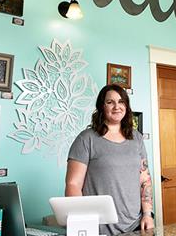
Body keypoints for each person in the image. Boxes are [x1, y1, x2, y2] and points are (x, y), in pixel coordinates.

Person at [65, 84, 154, 235]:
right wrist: (83, 223)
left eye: (121, 102)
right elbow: (73, 184)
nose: (116, 106)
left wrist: (147, 214)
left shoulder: (137, 138)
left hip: (135, 225)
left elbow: (145, 180)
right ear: (102, 106)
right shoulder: (86, 139)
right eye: (110, 102)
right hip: (99, 228)